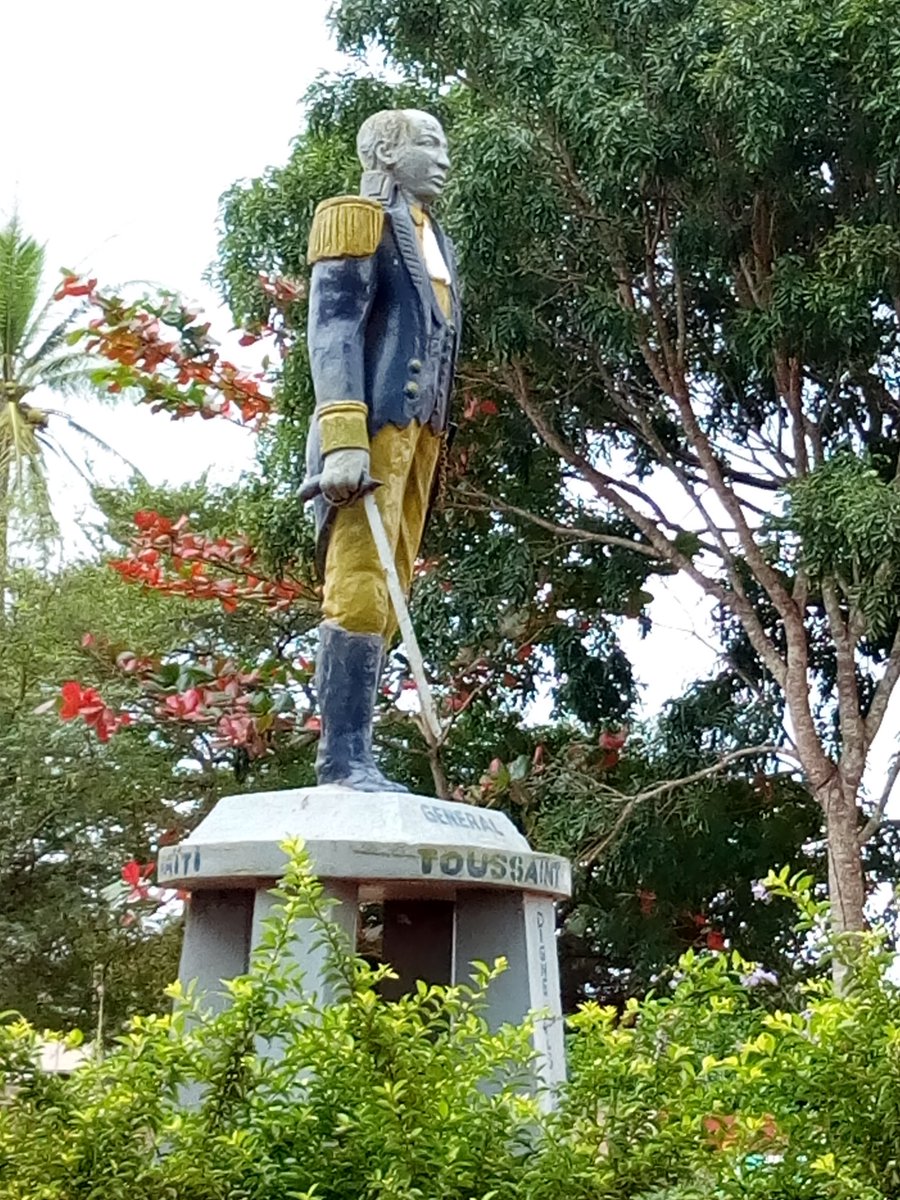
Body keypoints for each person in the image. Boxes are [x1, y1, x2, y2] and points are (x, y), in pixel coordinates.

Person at [301, 109, 461, 791]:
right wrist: (342, 439)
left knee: (391, 588)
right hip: (372, 431)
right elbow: (331, 328)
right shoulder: (354, 217)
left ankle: (359, 751)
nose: (443, 157)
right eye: (429, 144)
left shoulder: (436, 238)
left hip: (422, 432)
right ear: (389, 155)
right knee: (361, 583)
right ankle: (343, 759)